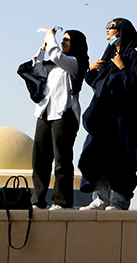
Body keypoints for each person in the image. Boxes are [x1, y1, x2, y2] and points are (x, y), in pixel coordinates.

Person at [78, 18, 137, 210]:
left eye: (112, 28)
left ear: (122, 31)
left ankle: (118, 201)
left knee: (120, 160)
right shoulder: (108, 56)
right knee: (96, 156)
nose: (108, 31)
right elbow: (99, 86)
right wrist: (89, 72)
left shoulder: (133, 57)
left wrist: (122, 67)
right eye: (107, 27)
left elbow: (135, 86)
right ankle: (100, 198)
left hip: (124, 119)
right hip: (104, 118)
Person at [29, 28, 89, 210]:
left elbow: (56, 55)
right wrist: (41, 49)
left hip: (64, 114)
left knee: (62, 159)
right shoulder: (55, 67)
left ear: (76, 43)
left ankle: (61, 202)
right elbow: (36, 68)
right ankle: (38, 200)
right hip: (45, 113)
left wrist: (50, 35)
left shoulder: (75, 63)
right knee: (39, 158)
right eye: (62, 39)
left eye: (67, 40)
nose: (63, 43)